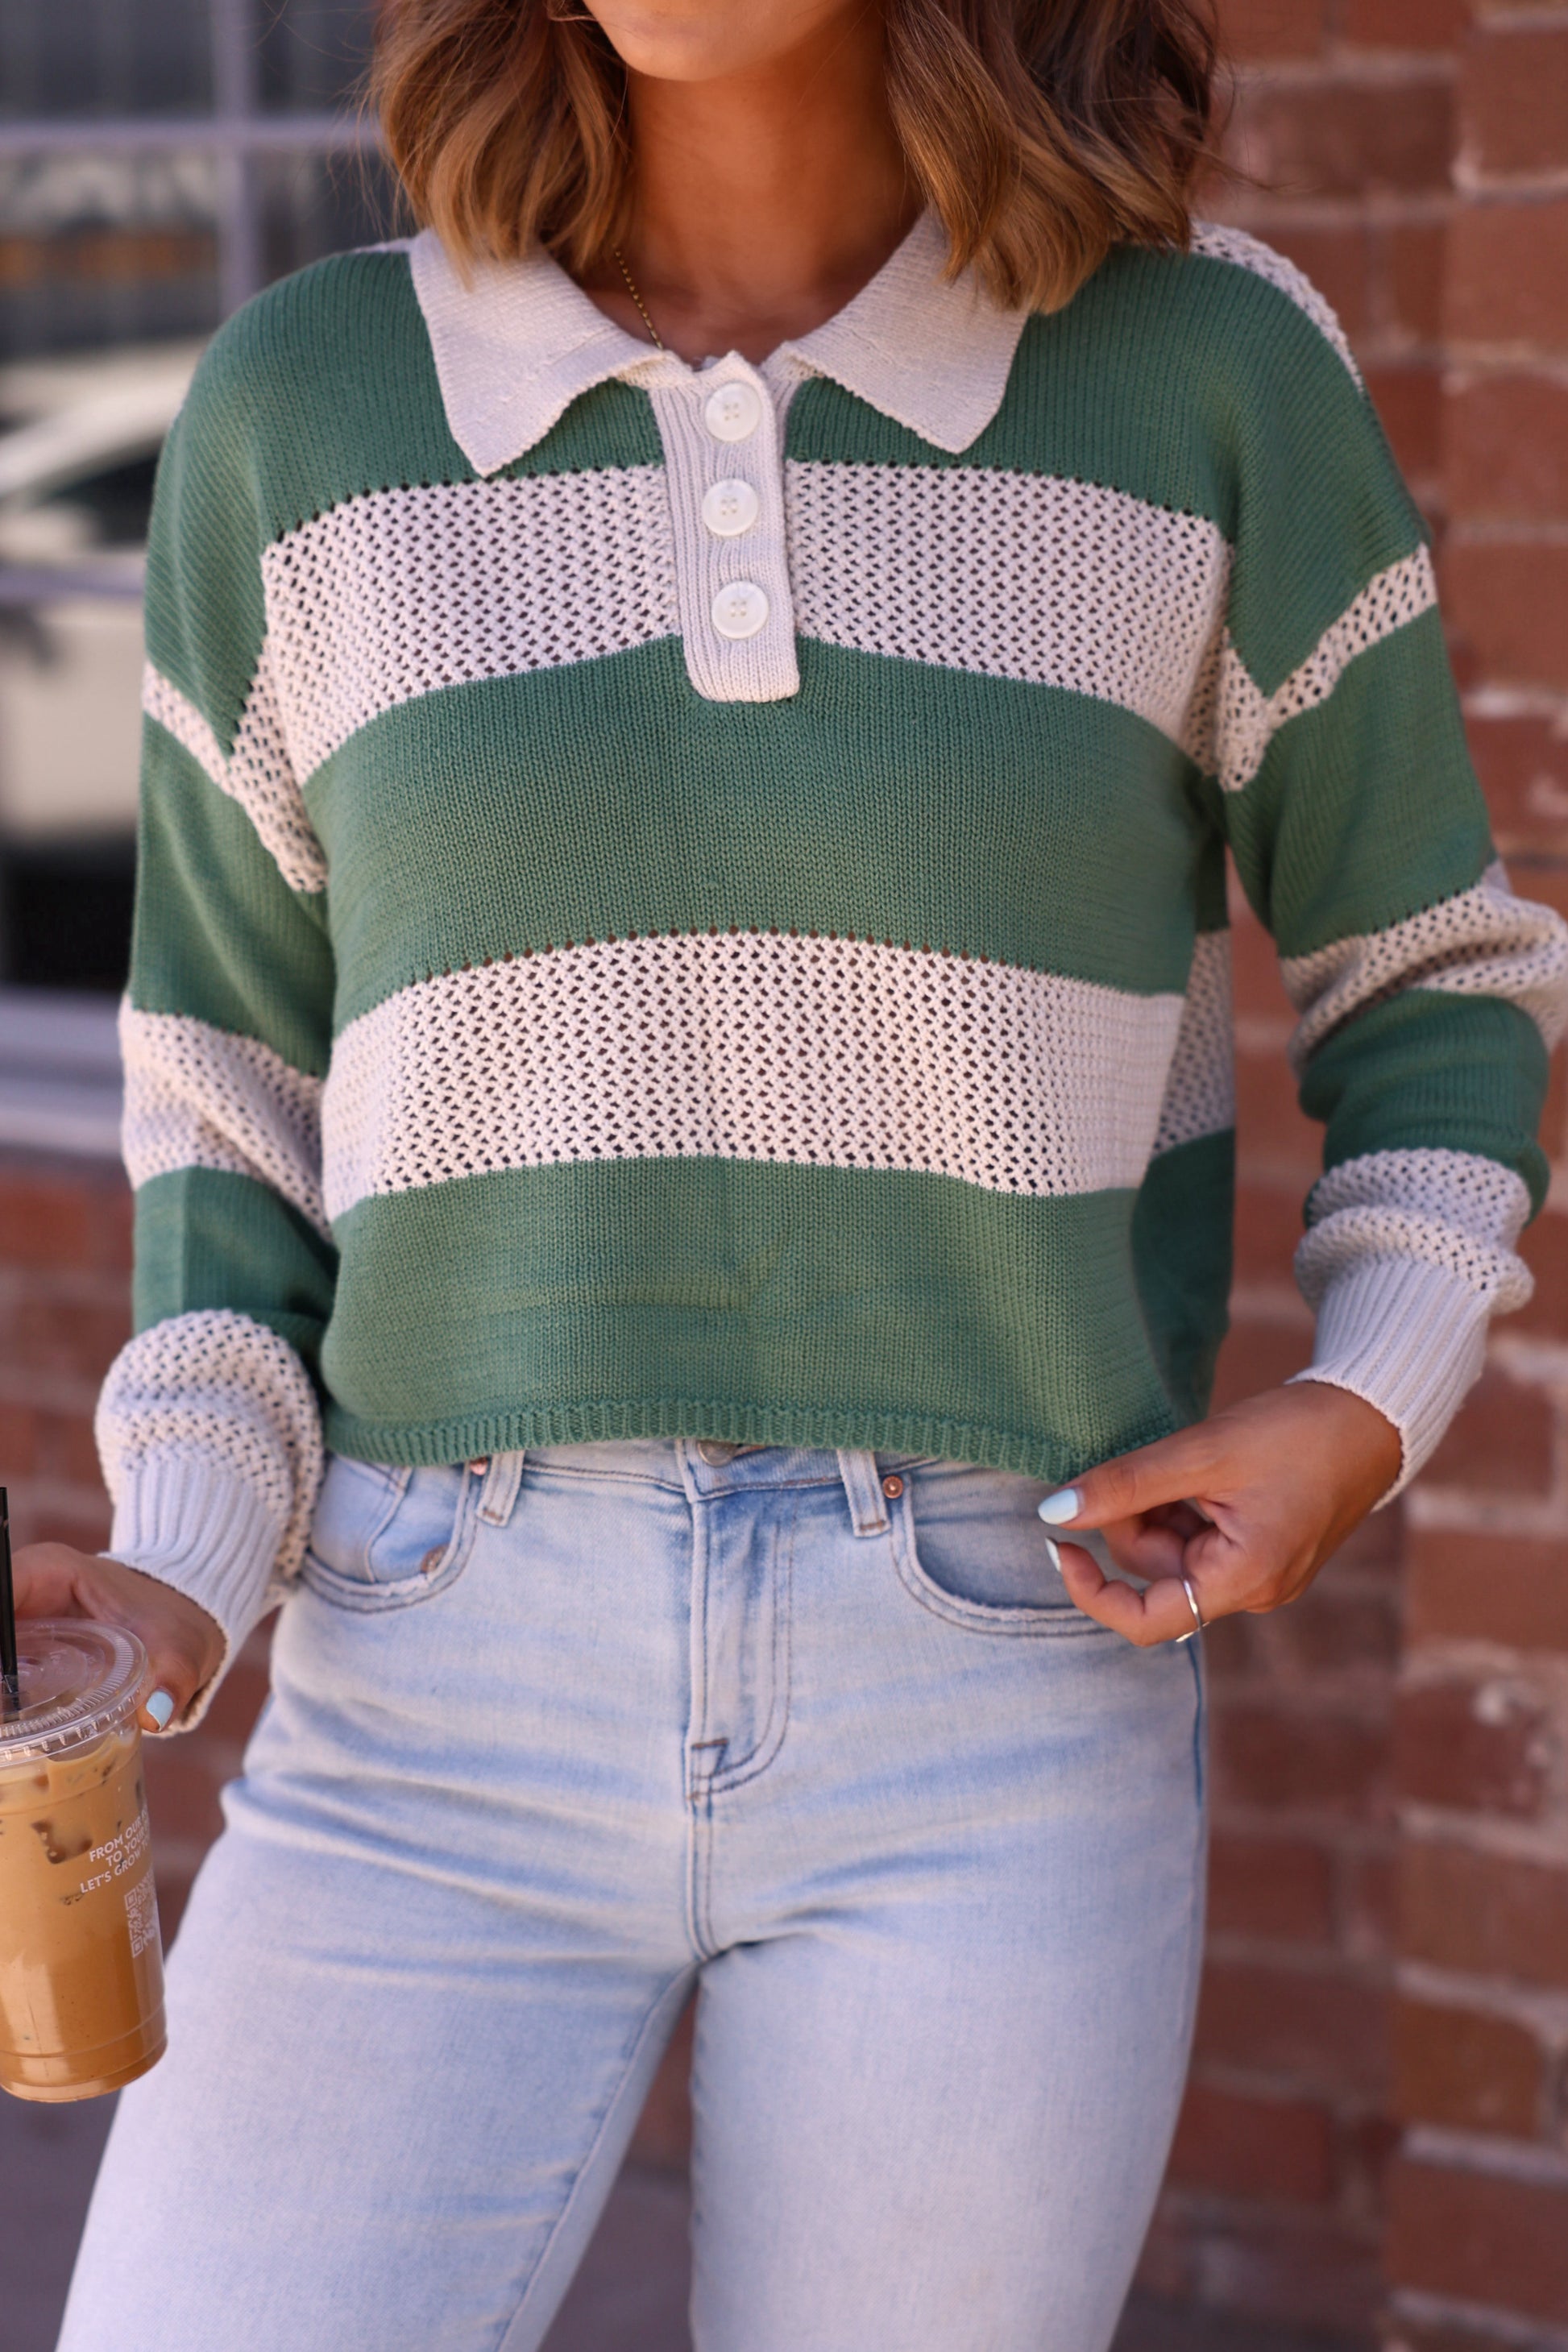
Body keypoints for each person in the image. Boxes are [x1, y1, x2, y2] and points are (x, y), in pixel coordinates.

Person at [25, 1, 1566, 2345]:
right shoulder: (302, 409)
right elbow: (233, 1100)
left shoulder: (1205, 374)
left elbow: (1431, 976)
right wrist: (176, 1573)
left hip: (999, 1682)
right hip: (430, 1691)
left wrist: (1368, 1400)